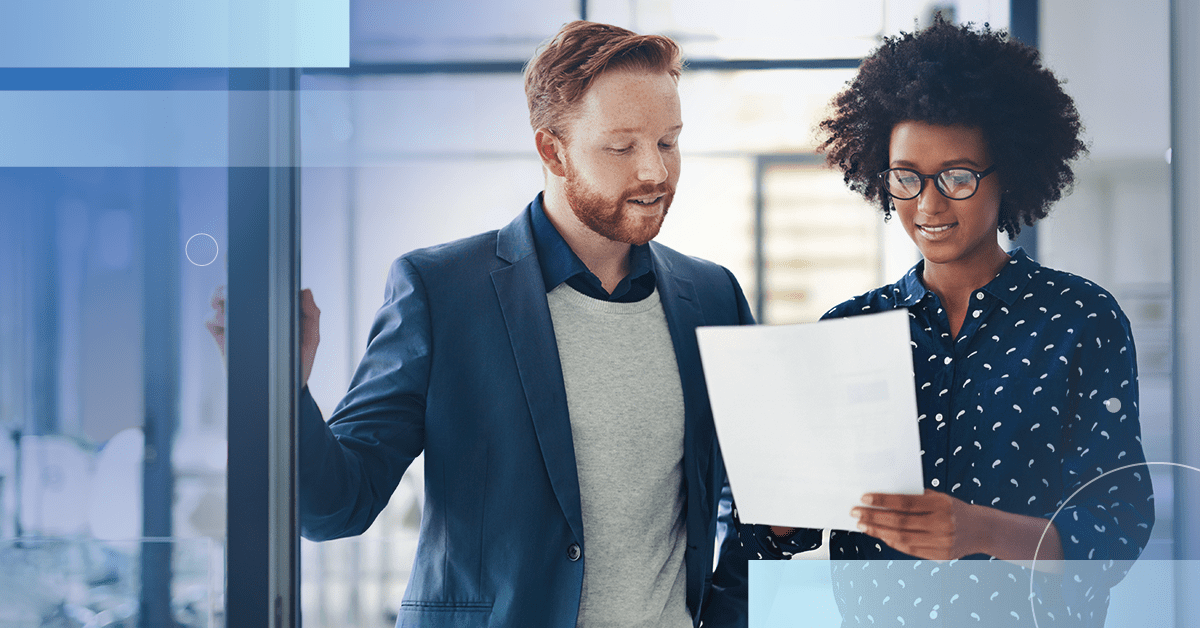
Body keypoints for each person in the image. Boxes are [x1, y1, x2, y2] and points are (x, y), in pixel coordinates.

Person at [210, 20, 753, 628]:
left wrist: (726, 616)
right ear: (553, 150)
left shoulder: (712, 296)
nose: (654, 172)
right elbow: (334, 508)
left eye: (669, 142)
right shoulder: (441, 291)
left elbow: (762, 497)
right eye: (622, 147)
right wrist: (282, 392)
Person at [743, 17, 1154, 627]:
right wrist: (777, 503)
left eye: (958, 177)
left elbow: (1117, 525)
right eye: (906, 177)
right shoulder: (847, 329)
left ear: (1007, 173)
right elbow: (780, 536)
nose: (928, 205)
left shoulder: (1080, 320)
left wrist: (980, 531)